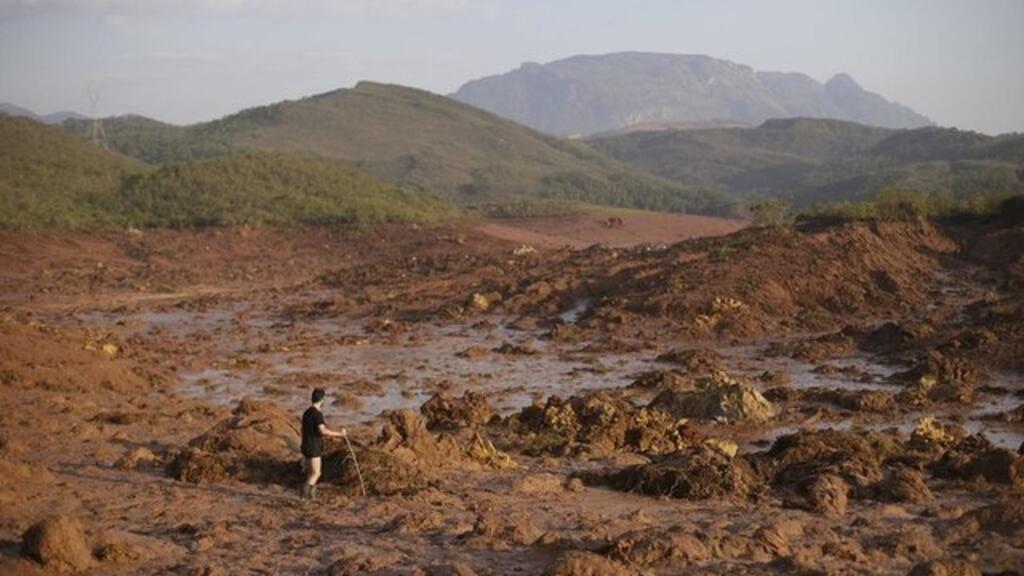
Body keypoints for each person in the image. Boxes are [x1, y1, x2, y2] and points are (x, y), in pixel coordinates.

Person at [301, 388, 347, 500]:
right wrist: (339, 434)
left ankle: (311, 497)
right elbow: (323, 431)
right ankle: (304, 497)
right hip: (314, 447)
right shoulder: (317, 414)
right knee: (317, 473)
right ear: (322, 400)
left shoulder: (306, 412)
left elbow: (302, 429)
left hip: (306, 445)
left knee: (310, 472)